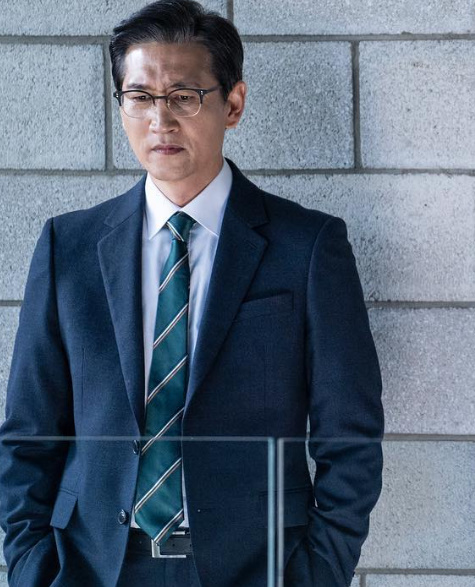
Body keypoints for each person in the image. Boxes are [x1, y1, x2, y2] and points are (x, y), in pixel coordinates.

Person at [0, 1, 385, 585]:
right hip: (92, 566)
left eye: (184, 96)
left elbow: (349, 437)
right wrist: (33, 568)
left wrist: (315, 574)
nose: (161, 120)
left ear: (233, 104)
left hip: (253, 566)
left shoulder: (307, 247)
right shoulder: (68, 247)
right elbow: (29, 433)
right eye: (140, 97)